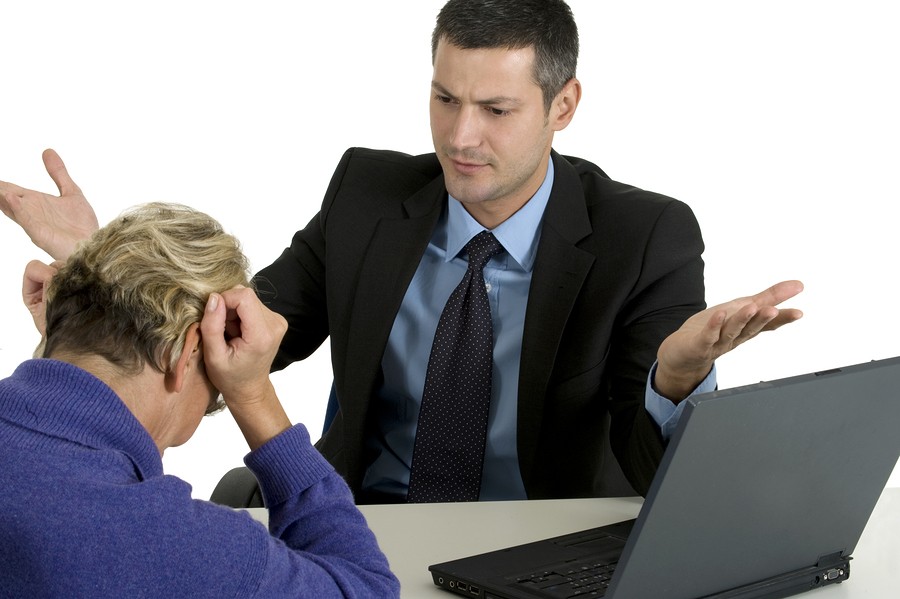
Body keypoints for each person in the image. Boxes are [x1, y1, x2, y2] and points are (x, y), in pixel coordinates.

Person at [0, 0, 803, 504]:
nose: (459, 136)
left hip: (544, 539)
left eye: (495, 109)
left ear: (564, 106)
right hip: (364, 521)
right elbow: (236, 333)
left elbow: (645, 463)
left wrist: (675, 377)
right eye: (444, 98)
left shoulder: (645, 235)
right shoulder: (369, 194)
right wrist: (97, 267)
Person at [0, 203, 400, 597]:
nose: (214, 394)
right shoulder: (176, 546)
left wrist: (83, 299)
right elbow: (366, 588)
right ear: (185, 352)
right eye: (215, 384)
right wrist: (253, 394)